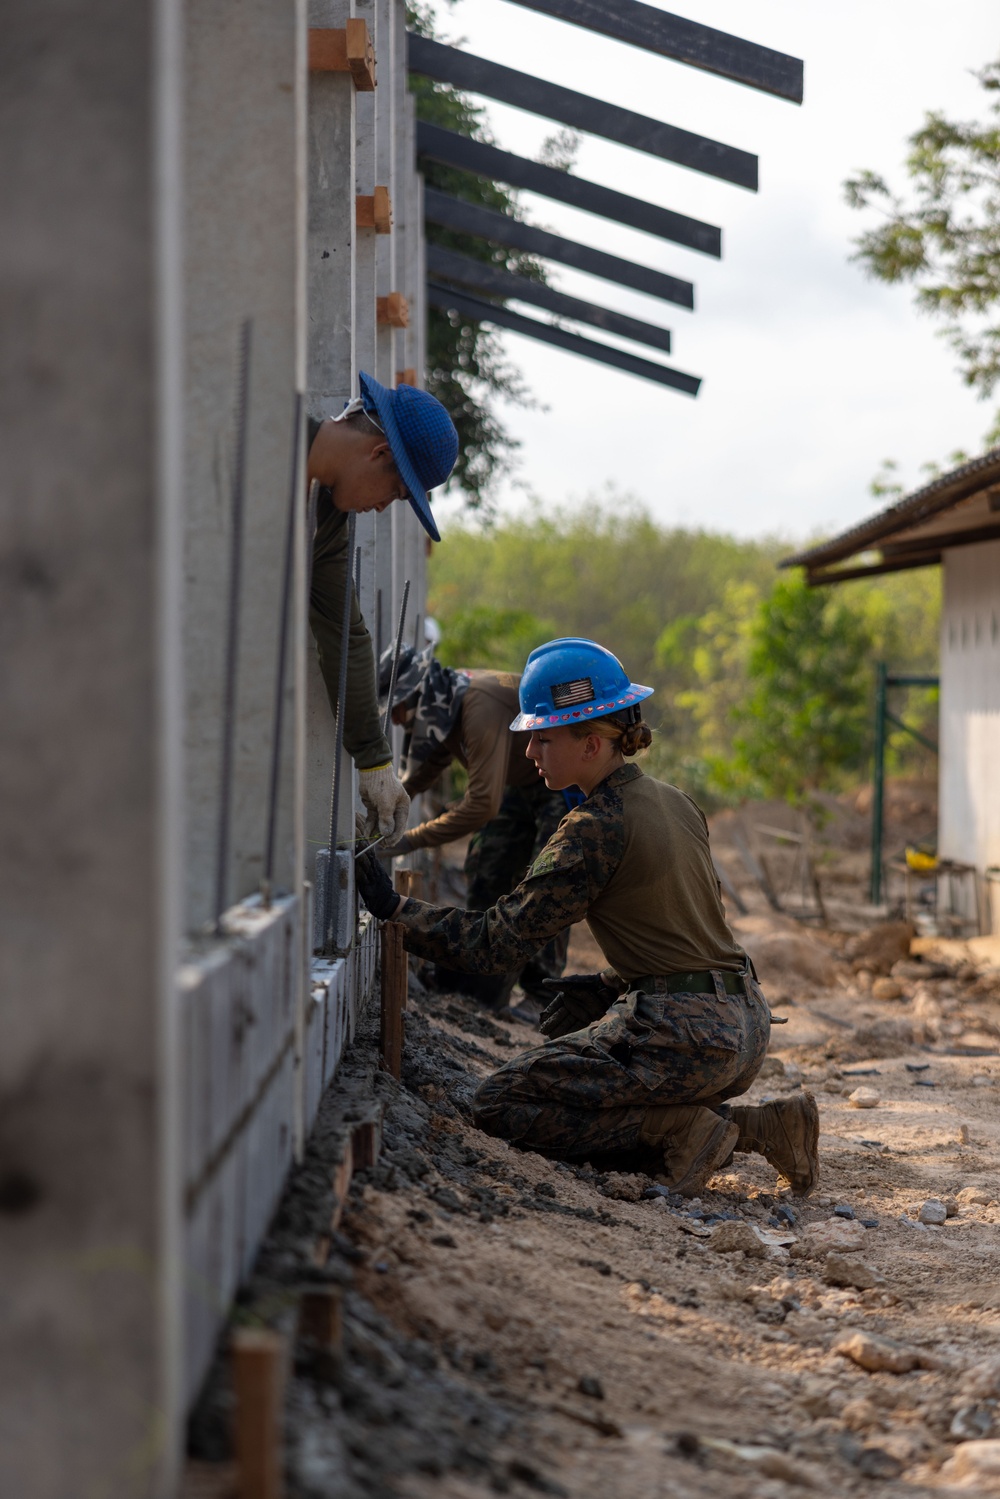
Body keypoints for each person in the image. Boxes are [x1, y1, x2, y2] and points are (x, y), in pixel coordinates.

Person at [356, 637, 819, 1198]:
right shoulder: (676, 801)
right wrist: (609, 986)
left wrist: (395, 909)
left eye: (543, 738)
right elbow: (687, 929)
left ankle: (684, 1131)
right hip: (744, 1022)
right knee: (595, 1077)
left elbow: (496, 944)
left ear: (593, 744)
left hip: (684, 1034)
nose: (529, 754)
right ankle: (766, 1127)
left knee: (501, 1102)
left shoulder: (592, 826)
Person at [306, 372, 458, 843]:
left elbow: (343, 630)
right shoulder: (260, 434)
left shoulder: (326, 514)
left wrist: (374, 761)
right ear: (379, 453)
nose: (381, 508)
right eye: (395, 493)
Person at [378, 644, 571, 1010]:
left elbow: (482, 805)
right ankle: (485, 988)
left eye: (400, 708)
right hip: (521, 778)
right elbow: (432, 760)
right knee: (487, 867)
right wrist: (392, 803)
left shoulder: (477, 706)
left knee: (549, 881)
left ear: (419, 695)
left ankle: (542, 995)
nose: (400, 720)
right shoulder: (447, 698)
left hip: (560, 780)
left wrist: (409, 841)